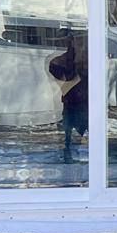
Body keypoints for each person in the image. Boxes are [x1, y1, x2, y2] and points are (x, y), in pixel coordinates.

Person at [47, 34, 88, 164]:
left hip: (88, 105)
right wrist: (77, 79)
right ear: (72, 43)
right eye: (79, 42)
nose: (83, 46)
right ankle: (69, 159)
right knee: (68, 138)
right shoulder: (59, 63)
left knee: (85, 137)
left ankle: (85, 161)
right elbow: (63, 89)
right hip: (71, 106)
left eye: (84, 43)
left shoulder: (90, 61)